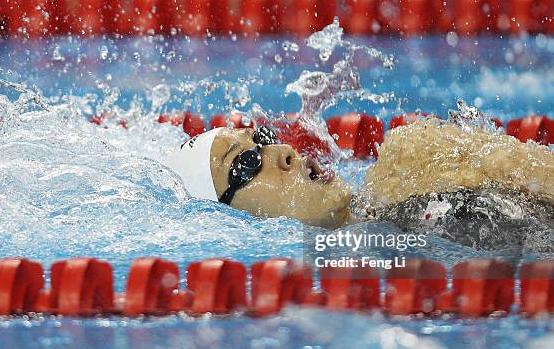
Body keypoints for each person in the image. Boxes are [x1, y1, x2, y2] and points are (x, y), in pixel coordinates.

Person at [165, 118, 553, 248]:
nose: (282, 150)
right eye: (247, 163)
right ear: (227, 220)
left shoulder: (412, 162)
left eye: (263, 138)